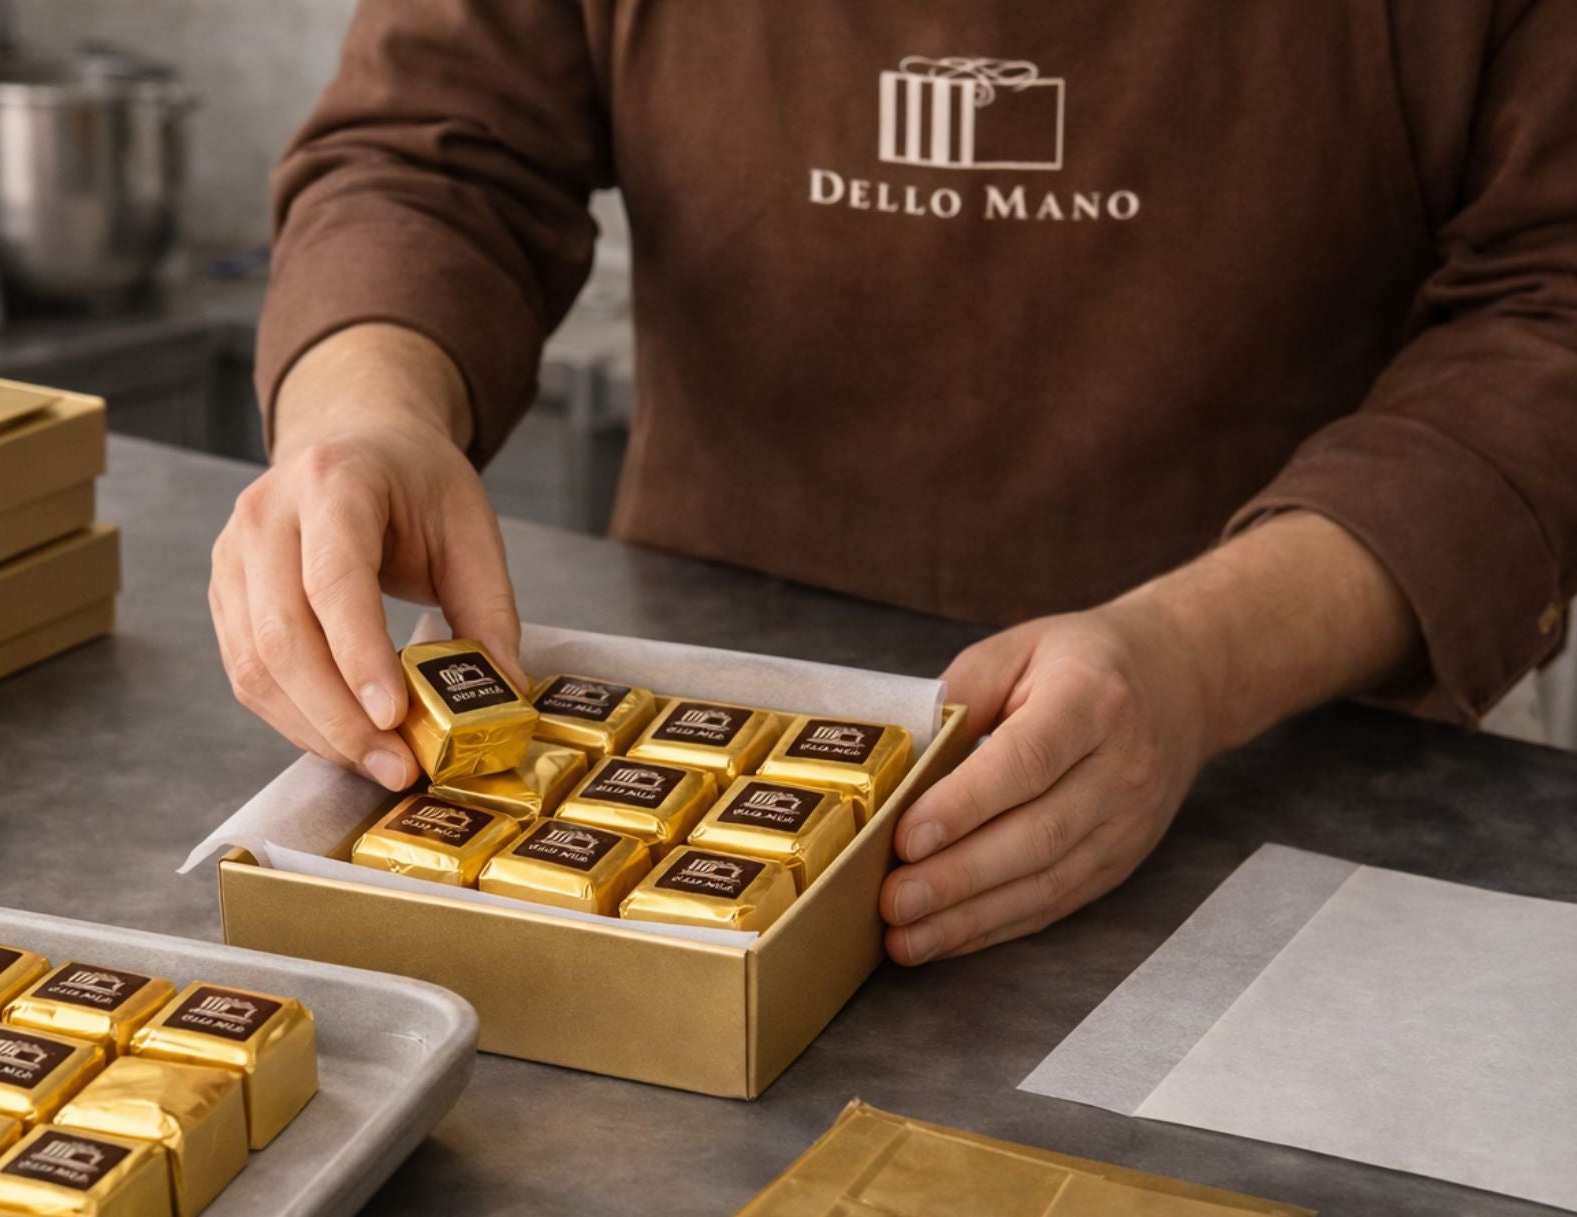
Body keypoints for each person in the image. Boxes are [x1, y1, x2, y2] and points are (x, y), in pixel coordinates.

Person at [209, 1, 1577, 967]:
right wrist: (364, 411)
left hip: (1292, 761)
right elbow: (432, 152)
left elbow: (1552, 306)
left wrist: (1201, 660)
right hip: (712, 673)